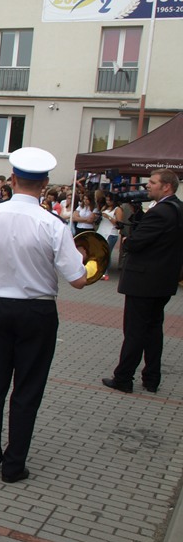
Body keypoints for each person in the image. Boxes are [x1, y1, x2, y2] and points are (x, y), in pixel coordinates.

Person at [0, 147, 87, 483]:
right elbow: (78, 280)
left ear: (12, 179)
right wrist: (78, 256)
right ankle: (14, 464)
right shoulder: (52, 224)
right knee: (28, 388)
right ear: (45, 184)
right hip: (37, 310)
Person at [103, 169, 183, 395]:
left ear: (166, 186)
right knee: (153, 330)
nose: (148, 186)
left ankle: (123, 377)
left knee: (135, 331)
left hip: (144, 280)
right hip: (163, 280)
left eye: (153, 182)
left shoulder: (161, 212)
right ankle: (151, 378)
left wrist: (128, 237)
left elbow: (135, 243)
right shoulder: (178, 208)